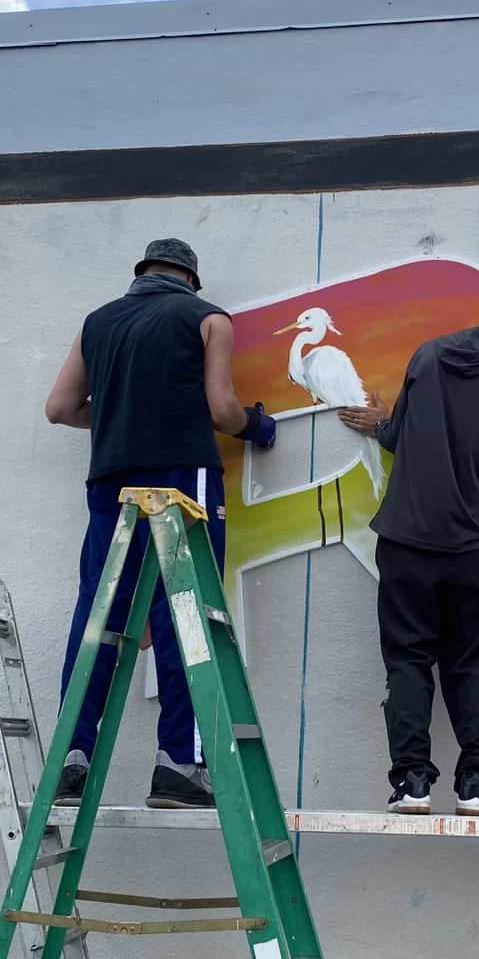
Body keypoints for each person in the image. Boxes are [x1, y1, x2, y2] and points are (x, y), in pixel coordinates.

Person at [45, 239, 276, 809]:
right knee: (187, 612)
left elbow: (61, 408)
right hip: (182, 476)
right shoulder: (207, 318)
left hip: (110, 480)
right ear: (190, 279)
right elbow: (222, 409)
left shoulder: (96, 322)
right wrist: (259, 428)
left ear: (141, 274)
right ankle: (178, 764)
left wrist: (126, 407)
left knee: (98, 614)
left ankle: (70, 763)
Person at [339, 275, 479, 817]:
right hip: (466, 548)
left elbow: (398, 436)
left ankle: (411, 783)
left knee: (407, 659)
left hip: (405, 541)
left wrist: (382, 422)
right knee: (473, 661)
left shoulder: (428, 356)